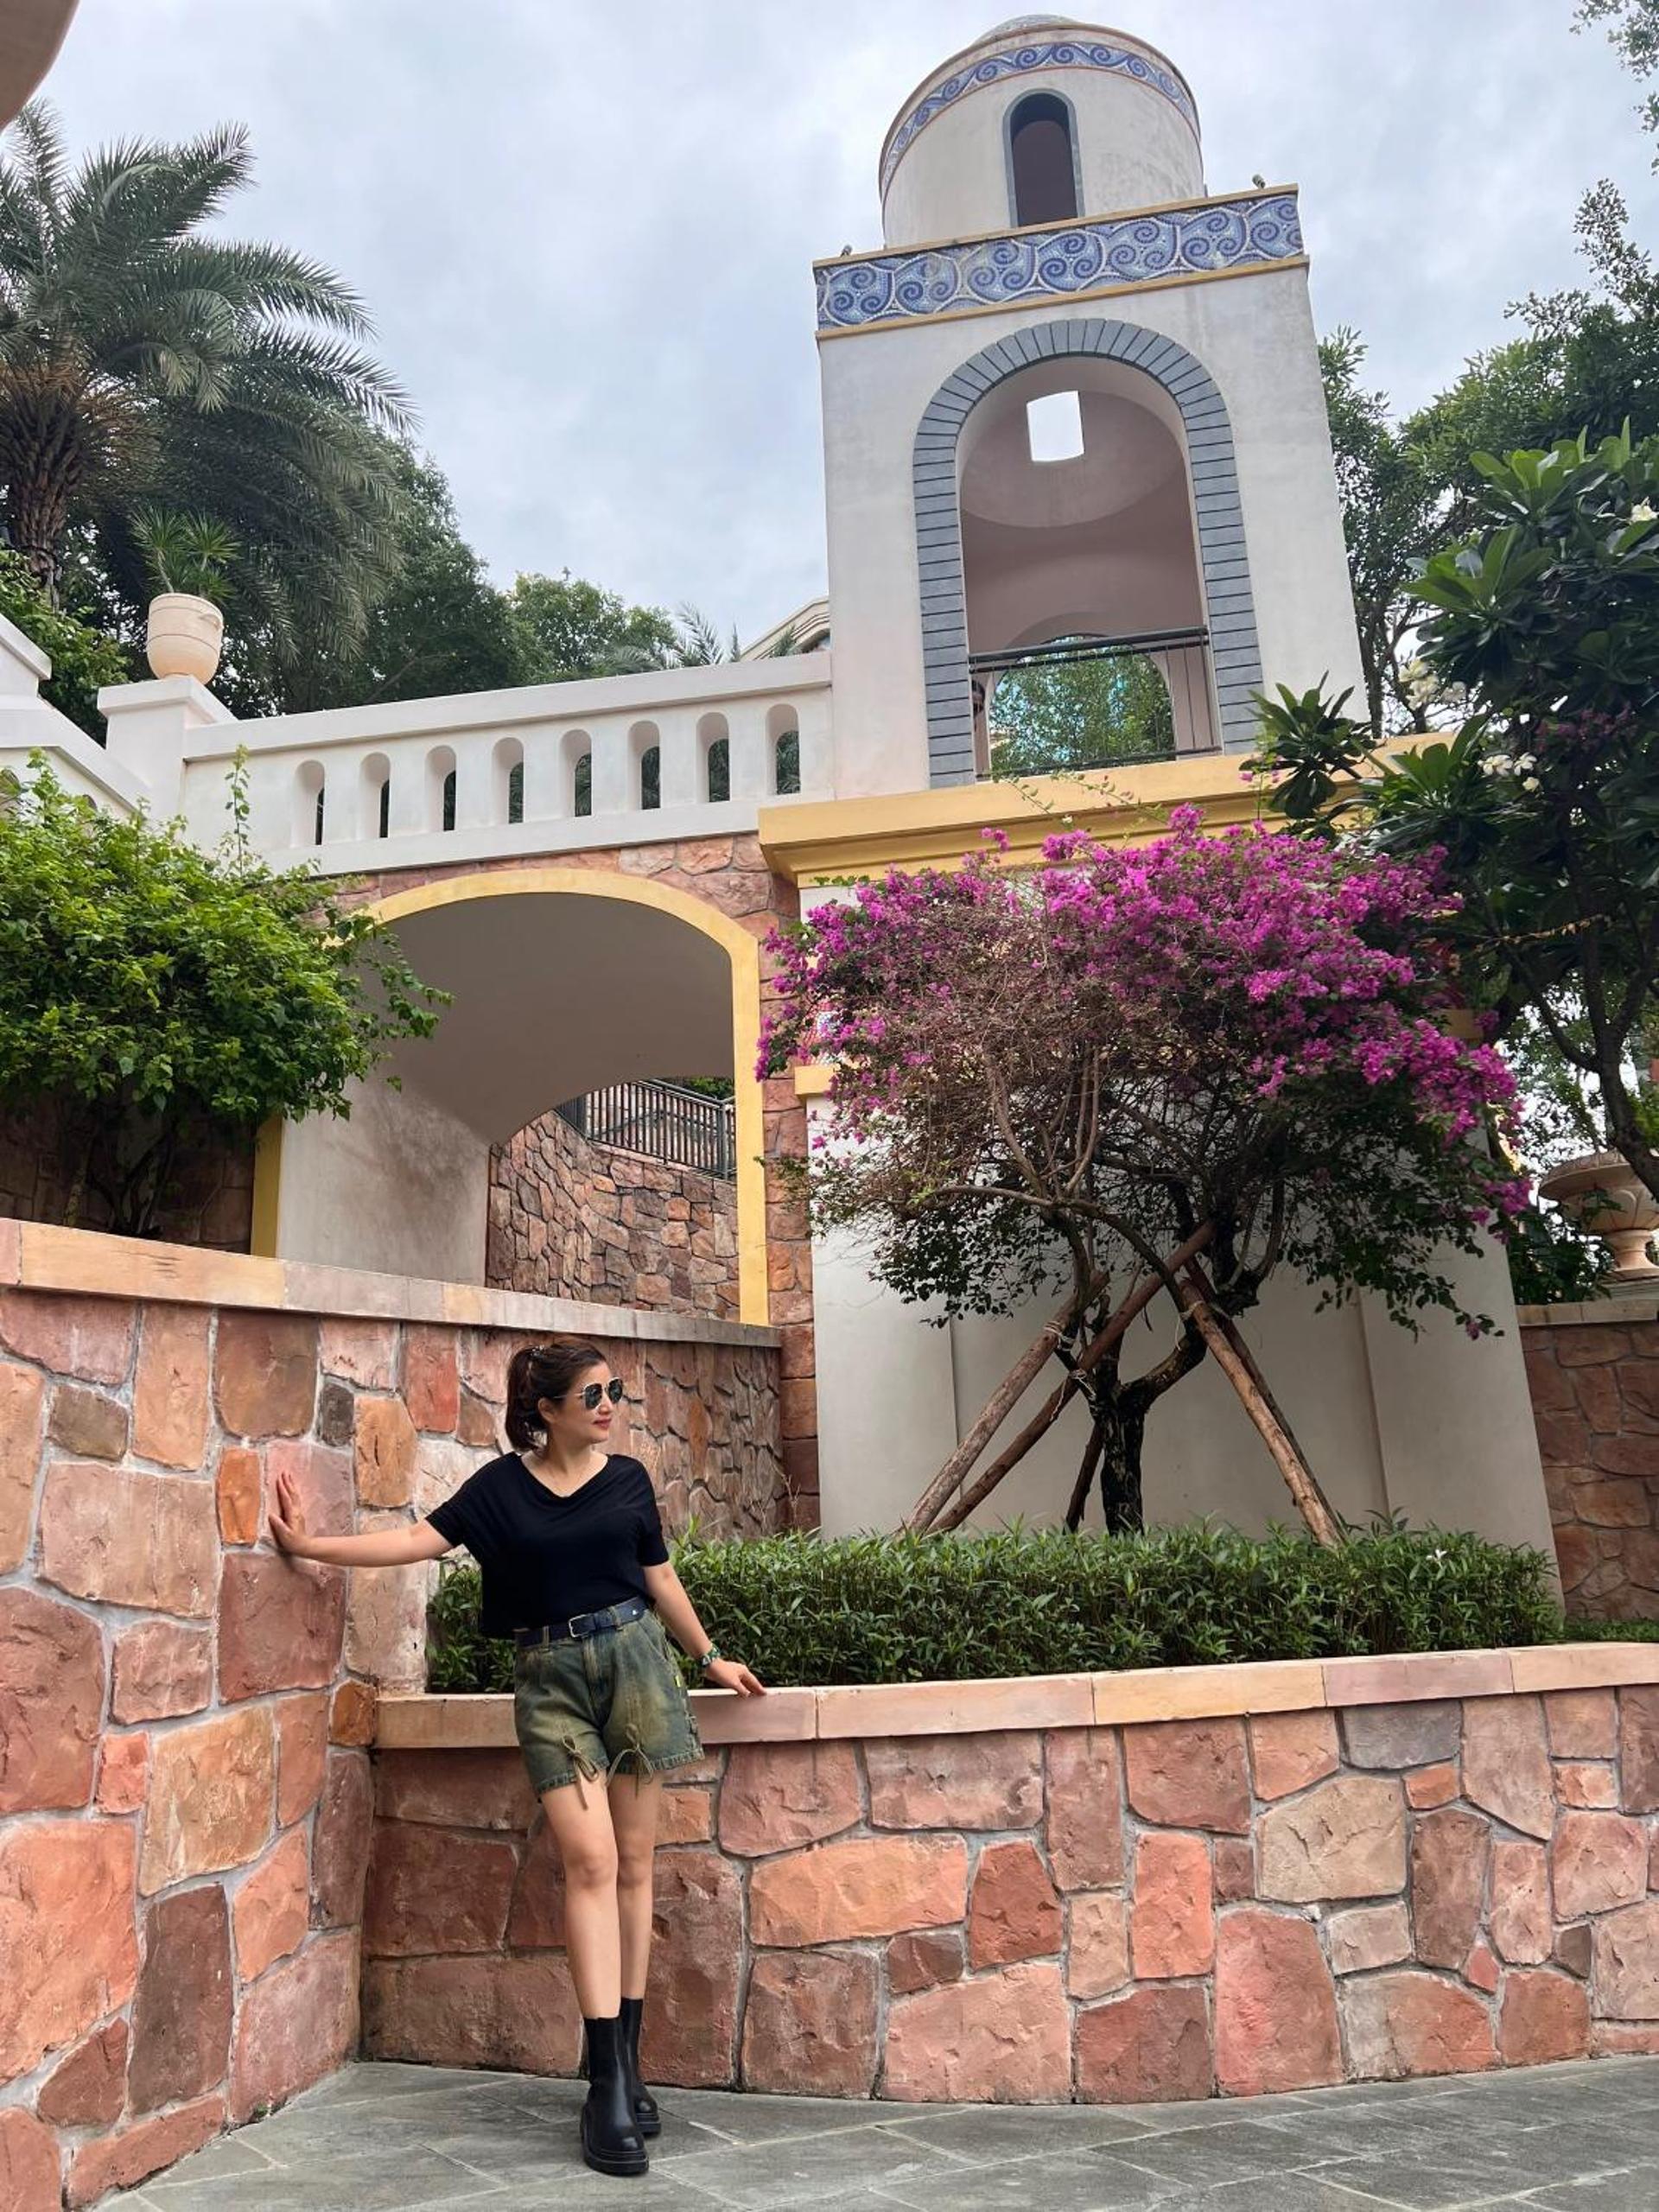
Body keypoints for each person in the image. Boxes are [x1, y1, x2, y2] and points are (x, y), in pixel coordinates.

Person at [269, 1337, 765, 2180]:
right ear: (546, 1410)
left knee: (635, 1865)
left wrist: (711, 1656)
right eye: (592, 1395)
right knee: (590, 1861)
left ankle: (629, 2066)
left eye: (613, 1391)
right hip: (551, 1681)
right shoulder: (500, 1489)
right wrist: (311, 1545)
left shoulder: (628, 1481)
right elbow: (416, 1541)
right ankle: (603, 2083)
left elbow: (660, 1579)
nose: (609, 1406)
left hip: (638, 1667)